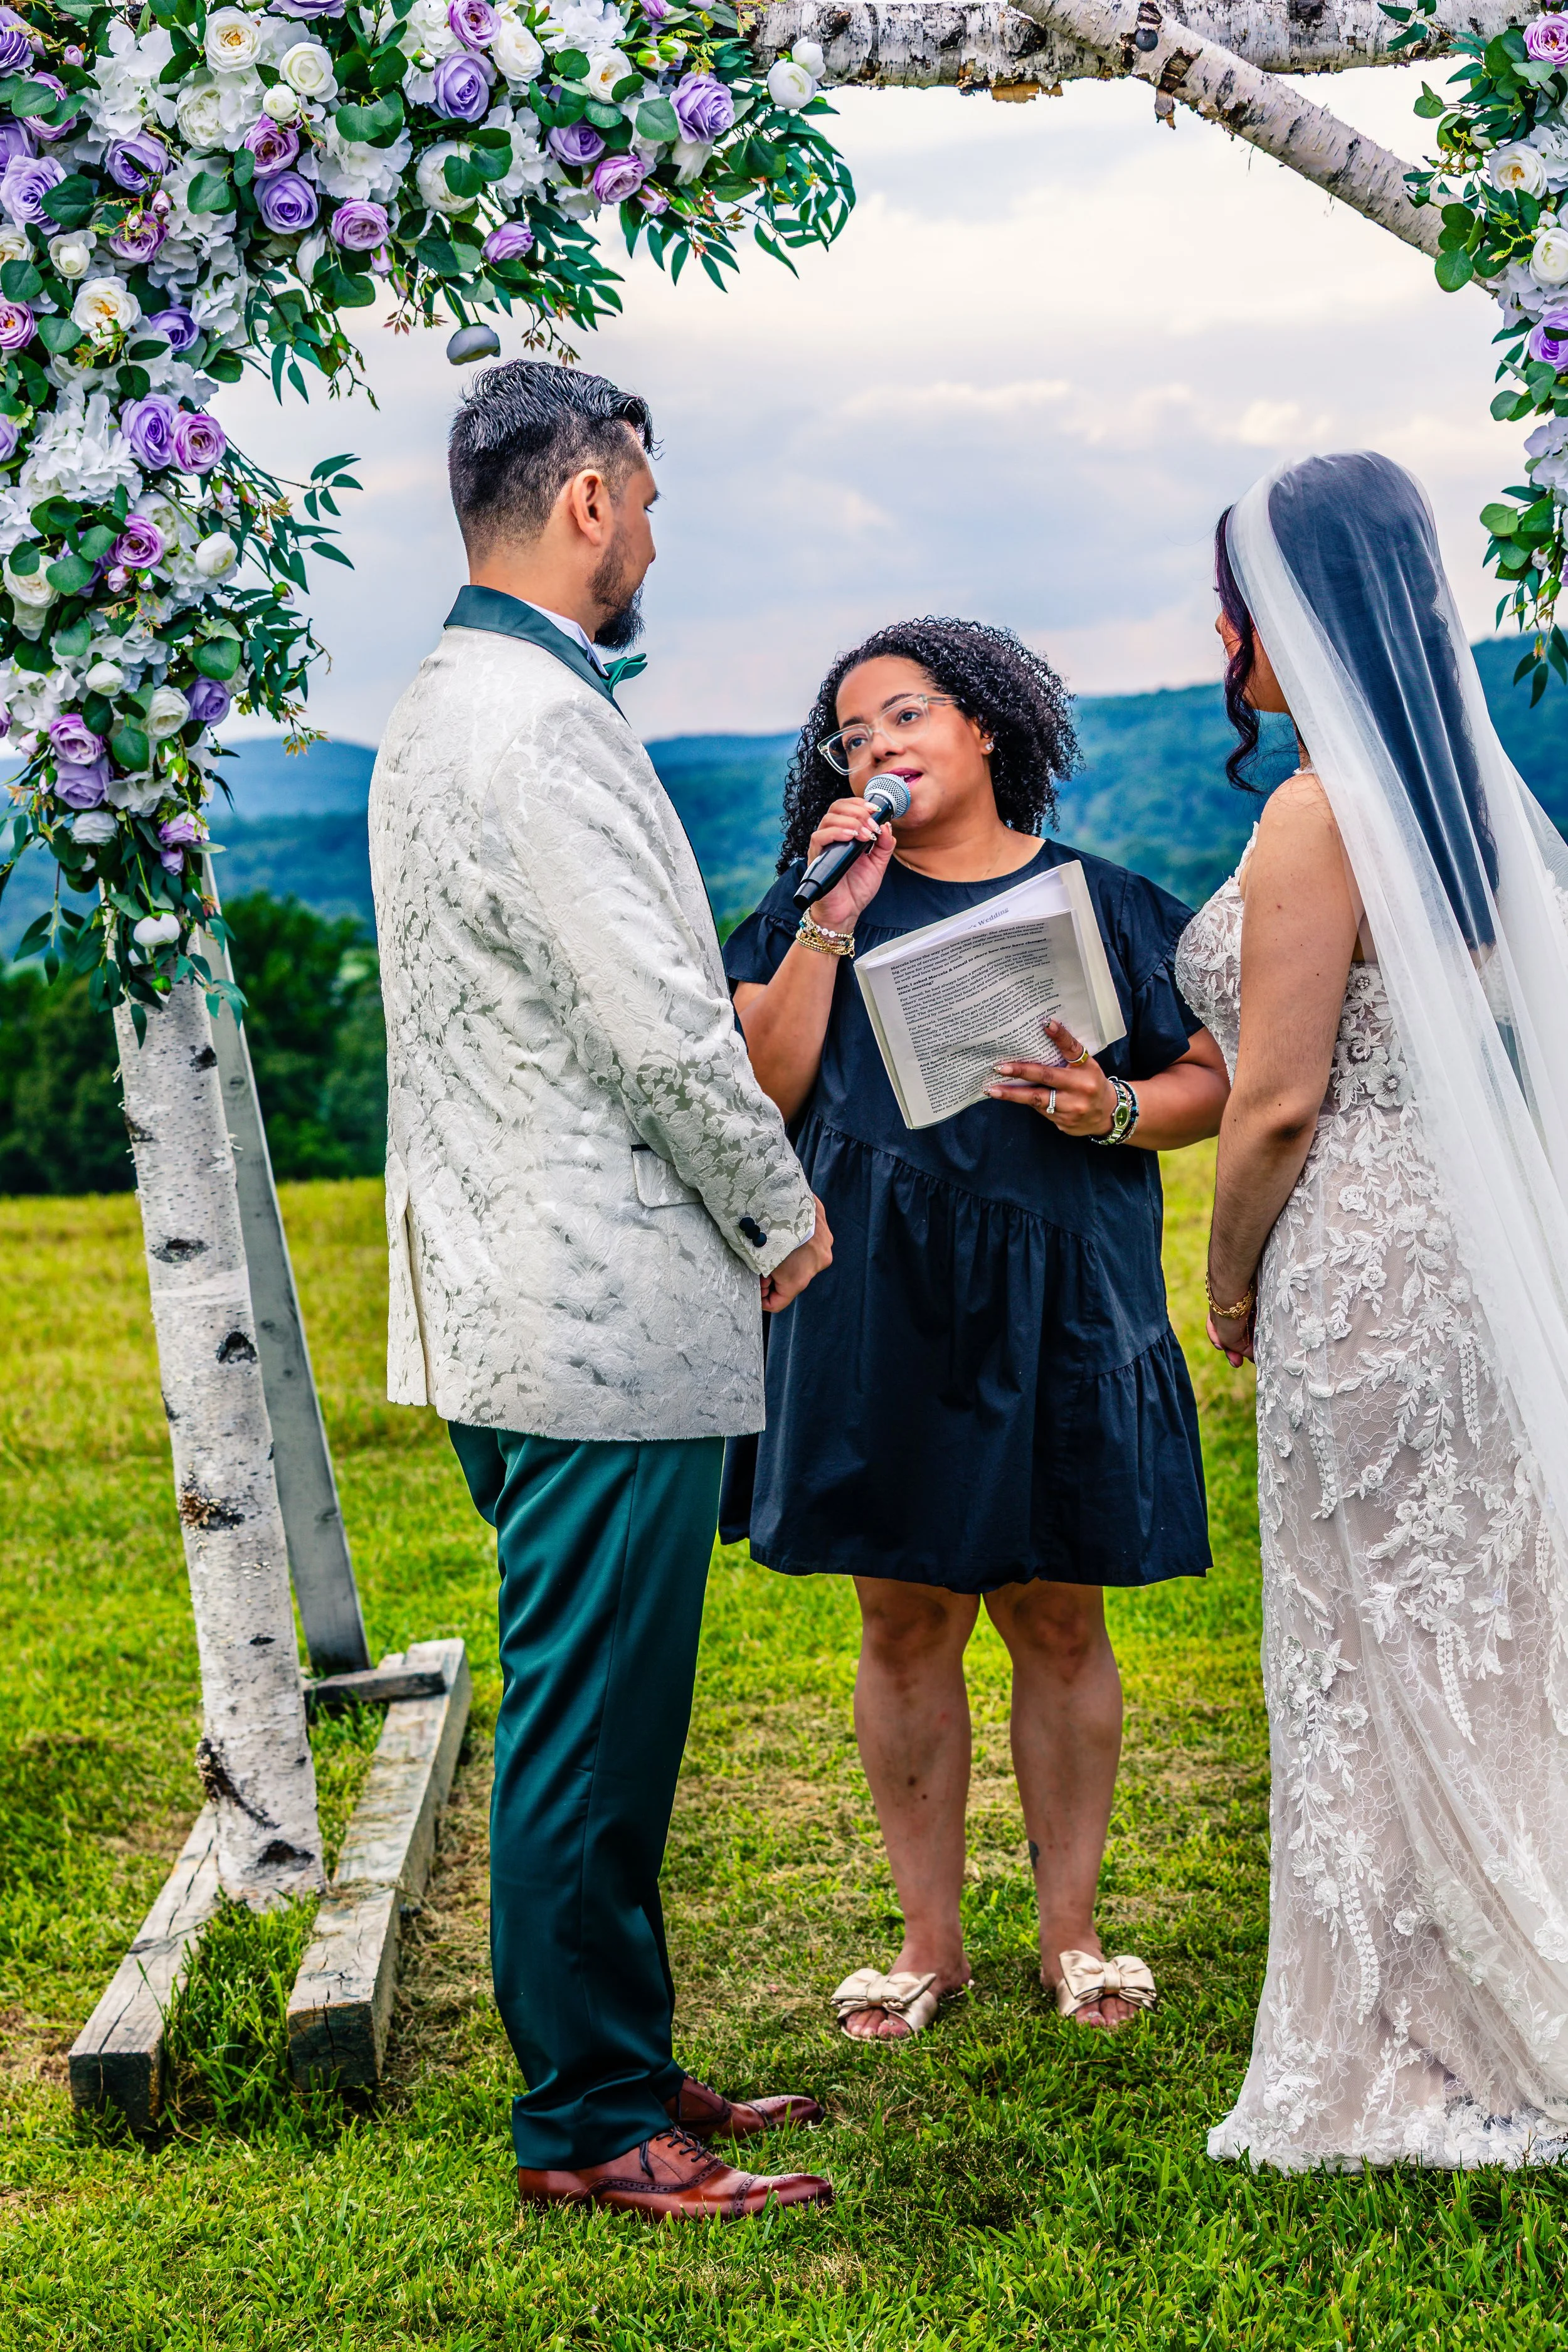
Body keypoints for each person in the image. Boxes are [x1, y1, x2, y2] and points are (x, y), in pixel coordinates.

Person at [368, 361, 837, 2219]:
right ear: (582, 502)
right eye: (639, 499)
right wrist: (778, 1214)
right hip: (585, 1306)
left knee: (614, 1710)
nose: (649, 534)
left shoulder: (447, 701)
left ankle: (624, 2058)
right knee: (589, 1723)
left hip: (517, 1288)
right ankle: (584, 2117)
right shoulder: (539, 724)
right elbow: (655, 1023)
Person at [721, 618, 1229, 2039]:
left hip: (1065, 1284)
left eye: (903, 715)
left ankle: (1071, 1933)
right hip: (878, 1296)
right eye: (850, 734)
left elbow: (1207, 1077)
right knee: (901, 1617)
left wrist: (1112, 1107)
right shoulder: (809, 906)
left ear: (987, 726)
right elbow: (762, 1089)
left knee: (1057, 1611)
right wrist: (828, 908)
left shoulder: (1107, 900)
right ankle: (926, 1944)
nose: (874, 746)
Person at [1179, 450, 1568, 2169]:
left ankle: (1437, 2025)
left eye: (1231, 599)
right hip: (1470, 1253)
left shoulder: (1315, 812)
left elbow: (1270, 1104)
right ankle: (1461, 1978)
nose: (1216, 635)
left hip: (1357, 1258)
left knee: (1364, 1643)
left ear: (1285, 615)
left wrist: (1221, 1265)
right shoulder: (1460, 799)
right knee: (1470, 1642)